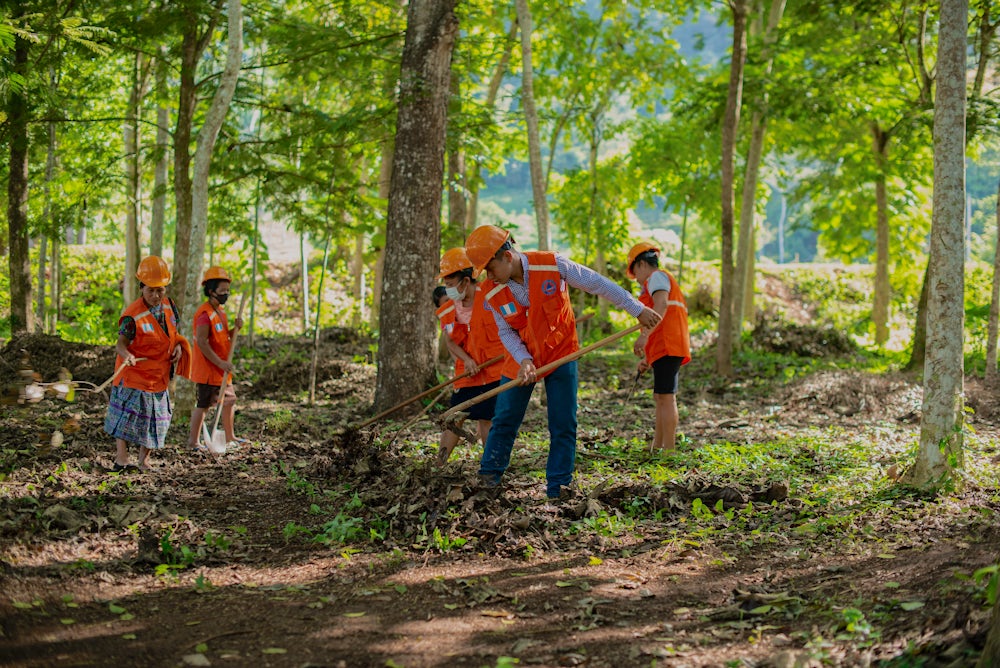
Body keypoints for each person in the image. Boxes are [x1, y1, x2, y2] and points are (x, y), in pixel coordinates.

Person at [464, 225, 661, 499]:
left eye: (490, 268)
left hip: (561, 352)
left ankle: (558, 489)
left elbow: (597, 283)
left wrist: (636, 309)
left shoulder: (552, 265)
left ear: (507, 257)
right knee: (505, 418)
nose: (488, 276)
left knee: (562, 422)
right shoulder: (491, 290)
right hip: (520, 359)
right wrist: (523, 360)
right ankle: (488, 481)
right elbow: (506, 331)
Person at [104, 256, 184, 472]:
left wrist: (177, 348)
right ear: (141, 288)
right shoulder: (133, 315)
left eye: (161, 290)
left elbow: (174, 334)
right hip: (134, 375)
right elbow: (120, 343)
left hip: (158, 374)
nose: (156, 295)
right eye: (151, 290)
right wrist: (127, 354)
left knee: (155, 420)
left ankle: (144, 460)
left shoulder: (169, 307)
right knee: (125, 418)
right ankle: (121, 460)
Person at [434, 248, 507, 465]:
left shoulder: (492, 295)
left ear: (465, 281)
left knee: (487, 418)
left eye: (450, 284)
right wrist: (466, 359)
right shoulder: (448, 310)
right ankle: (440, 462)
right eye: (445, 284)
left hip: (494, 370)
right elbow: (450, 342)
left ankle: (490, 465)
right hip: (466, 372)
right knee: (455, 416)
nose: (447, 289)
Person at [626, 242, 691, 451]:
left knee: (666, 397)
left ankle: (669, 449)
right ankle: (658, 445)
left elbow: (661, 305)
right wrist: (647, 358)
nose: (635, 277)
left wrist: (644, 336)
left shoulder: (657, 278)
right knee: (660, 396)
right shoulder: (655, 281)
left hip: (669, 343)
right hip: (664, 346)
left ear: (643, 264)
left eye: (634, 271)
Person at [187, 266, 244, 453]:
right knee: (203, 405)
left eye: (228, 291)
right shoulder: (204, 314)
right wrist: (220, 363)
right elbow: (202, 343)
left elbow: (220, 336)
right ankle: (193, 442)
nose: (226, 294)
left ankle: (230, 436)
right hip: (209, 371)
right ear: (211, 291)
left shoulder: (220, 311)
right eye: (222, 291)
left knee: (229, 401)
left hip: (222, 370)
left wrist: (235, 330)